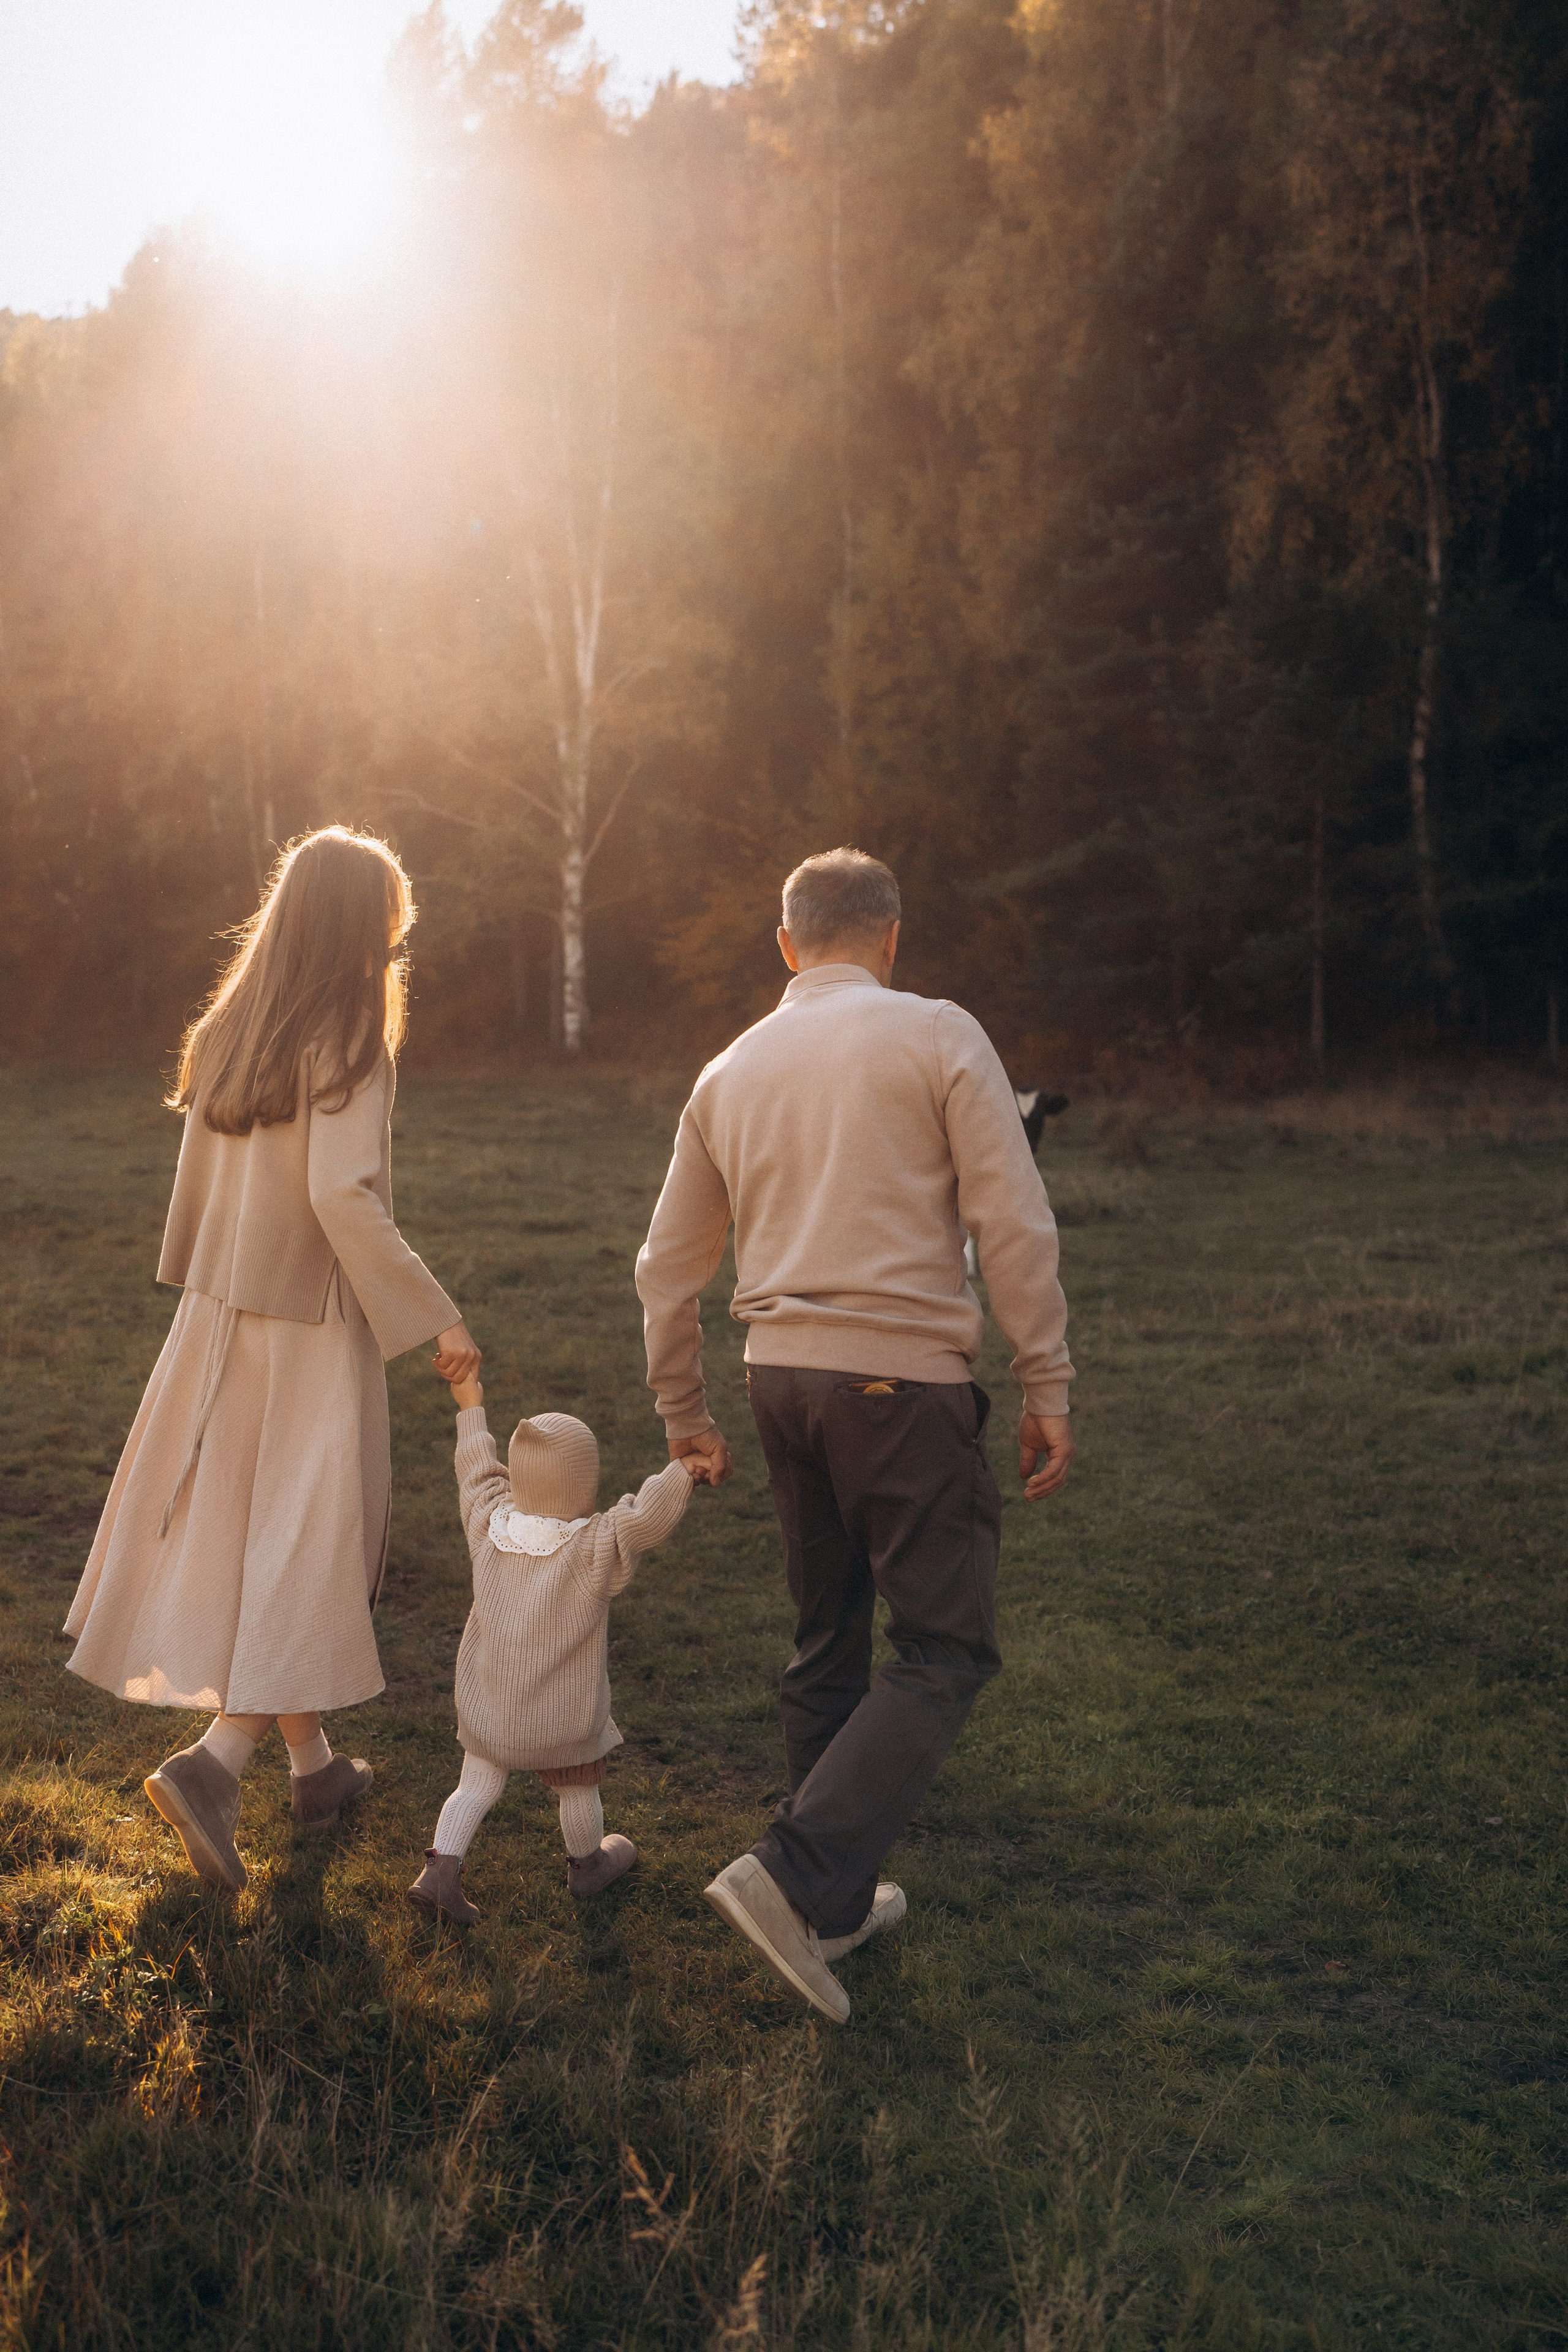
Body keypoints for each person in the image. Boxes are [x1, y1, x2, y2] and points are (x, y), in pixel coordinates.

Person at [635, 846, 1076, 2024]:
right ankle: (793, 1874)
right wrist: (1048, 1381)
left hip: (779, 1382)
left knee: (828, 1635)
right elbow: (1011, 1219)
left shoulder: (727, 1070)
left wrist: (686, 1411)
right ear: (891, 936)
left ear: (787, 945)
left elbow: (663, 1271)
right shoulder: (938, 1033)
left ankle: (825, 1914)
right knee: (944, 1647)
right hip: (899, 1385)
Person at [64, 826, 480, 1895]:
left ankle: (316, 1770)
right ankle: (218, 1764)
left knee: (259, 1533)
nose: (397, 944)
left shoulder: (230, 1029)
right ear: (360, 926)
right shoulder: (347, 1038)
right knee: (305, 1544)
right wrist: (438, 1316)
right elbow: (344, 1195)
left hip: (220, 1316)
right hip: (306, 1326)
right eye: (391, 923)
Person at [407, 1368, 700, 1925]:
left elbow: (474, 1467)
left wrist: (470, 1402)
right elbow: (646, 1517)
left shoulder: (488, 1522)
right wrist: (684, 1468)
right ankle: (587, 1865)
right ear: (584, 1485)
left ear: (519, 1479)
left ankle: (440, 1870)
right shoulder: (595, 1545)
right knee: (577, 1790)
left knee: (473, 1788)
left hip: (491, 1715)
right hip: (563, 1727)